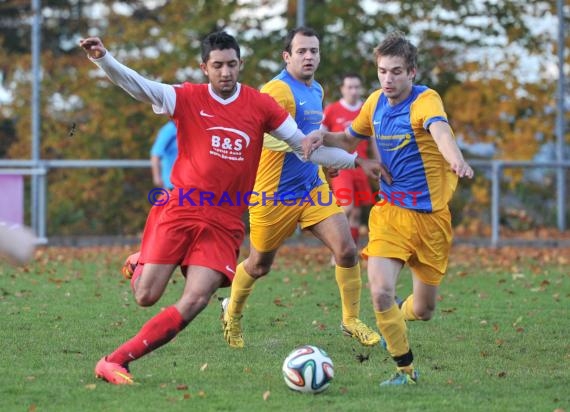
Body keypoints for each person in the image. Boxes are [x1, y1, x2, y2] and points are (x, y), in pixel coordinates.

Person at [79, 31, 376, 385]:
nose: (225, 72)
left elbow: (304, 147)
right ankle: (141, 260)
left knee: (197, 299)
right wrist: (103, 59)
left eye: (231, 65)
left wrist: (356, 162)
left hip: (224, 221)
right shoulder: (187, 97)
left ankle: (115, 361)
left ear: (241, 65)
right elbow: (139, 85)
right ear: (204, 67)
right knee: (146, 295)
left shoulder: (260, 105)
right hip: (183, 209)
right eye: (217, 65)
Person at [311, 31, 474, 386]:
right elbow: (349, 139)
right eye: (383, 71)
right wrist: (320, 137)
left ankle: (399, 316)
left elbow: (441, 130)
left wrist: (456, 159)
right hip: (390, 212)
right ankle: (405, 371)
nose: (388, 79)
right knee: (380, 290)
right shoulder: (374, 103)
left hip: (431, 221)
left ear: (412, 72)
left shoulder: (425, 100)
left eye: (396, 71)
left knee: (424, 310)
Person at [221, 27, 380, 350]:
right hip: (272, 195)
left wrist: (323, 163)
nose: (309, 57)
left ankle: (350, 320)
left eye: (314, 51)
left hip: (311, 188)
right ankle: (232, 313)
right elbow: (287, 143)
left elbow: (310, 142)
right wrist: (353, 161)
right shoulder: (277, 92)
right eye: (302, 51)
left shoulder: (316, 89)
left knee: (347, 251)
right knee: (258, 265)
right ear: (287, 56)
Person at [322, 73, 373, 250]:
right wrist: (326, 160)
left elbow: (374, 140)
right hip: (341, 166)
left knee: (357, 214)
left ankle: (350, 252)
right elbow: (321, 136)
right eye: (349, 87)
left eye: (357, 87)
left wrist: (379, 162)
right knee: (347, 208)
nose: (353, 91)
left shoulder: (367, 109)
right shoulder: (332, 110)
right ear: (342, 89)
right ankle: (337, 250)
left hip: (362, 166)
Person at [150, 120, 178, 190]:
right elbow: (155, 154)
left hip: (185, 180)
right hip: (171, 182)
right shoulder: (170, 129)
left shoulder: (184, 128)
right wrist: (157, 177)